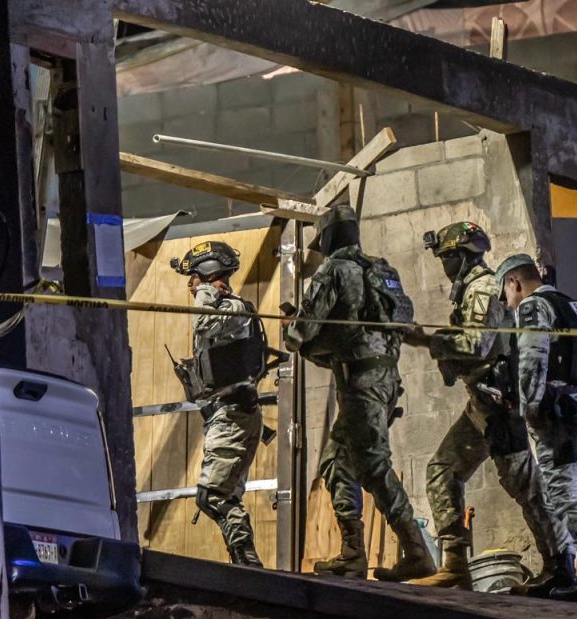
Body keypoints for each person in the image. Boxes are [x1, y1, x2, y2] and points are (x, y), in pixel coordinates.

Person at [404, 223, 575, 594]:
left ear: (461, 256)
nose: (444, 264)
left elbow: (476, 345)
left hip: (500, 407)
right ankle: (455, 564)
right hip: (481, 404)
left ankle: (562, 564)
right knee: (442, 470)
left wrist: (424, 340)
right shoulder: (470, 290)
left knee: (526, 487)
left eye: (447, 257)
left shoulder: (482, 289)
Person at [284, 205, 434, 582]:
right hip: (385, 381)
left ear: (329, 238)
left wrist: (292, 326)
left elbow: (300, 332)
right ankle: (353, 554)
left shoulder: (334, 270)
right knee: (336, 463)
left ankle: (416, 550)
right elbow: (402, 325)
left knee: (372, 465)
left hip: (360, 383)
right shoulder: (384, 271)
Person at [496, 253, 577, 602]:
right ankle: (565, 570)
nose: (509, 303)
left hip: (558, 415)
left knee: (563, 495)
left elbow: (533, 363)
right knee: (557, 492)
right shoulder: (576, 306)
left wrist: (528, 408)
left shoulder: (533, 307)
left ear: (515, 282)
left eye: (507, 294)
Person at [171, 241, 265, 567]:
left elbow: (203, 322)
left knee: (215, 496)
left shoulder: (233, 308)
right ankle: (244, 562)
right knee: (222, 496)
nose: (189, 285)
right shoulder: (222, 310)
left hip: (233, 415)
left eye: (194, 277)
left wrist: (208, 290)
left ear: (210, 274)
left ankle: (248, 564)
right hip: (226, 415)